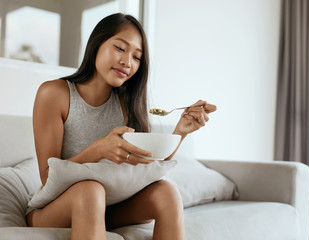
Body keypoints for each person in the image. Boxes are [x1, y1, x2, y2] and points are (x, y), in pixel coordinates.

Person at [26, 13, 216, 240]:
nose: (128, 62)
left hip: (109, 206)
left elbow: (145, 164)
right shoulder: (54, 93)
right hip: (55, 208)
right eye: (120, 48)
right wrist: (99, 149)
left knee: (167, 192)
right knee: (90, 190)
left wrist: (181, 132)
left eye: (137, 57)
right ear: (96, 44)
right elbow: (48, 177)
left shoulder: (126, 103)